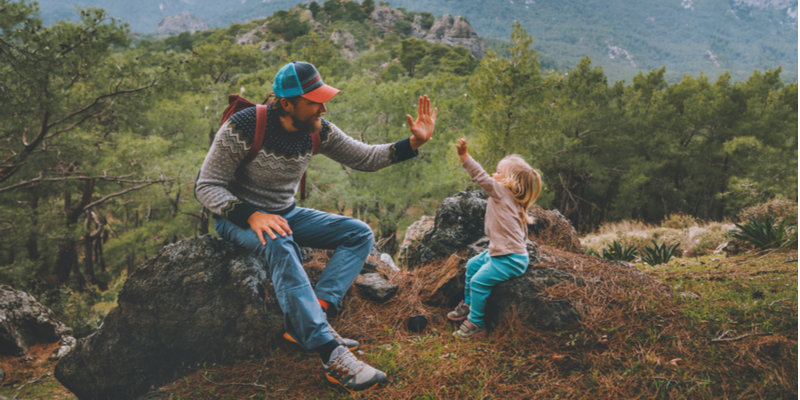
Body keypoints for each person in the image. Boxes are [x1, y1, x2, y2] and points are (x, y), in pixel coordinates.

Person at [195, 61, 437, 393]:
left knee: (359, 232)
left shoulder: (318, 129)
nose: (323, 107)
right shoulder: (245, 126)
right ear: (286, 103)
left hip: (286, 212)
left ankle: (313, 315)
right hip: (236, 219)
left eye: (323, 99)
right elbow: (206, 186)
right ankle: (331, 353)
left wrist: (413, 143)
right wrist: (252, 215)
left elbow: (365, 158)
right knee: (280, 242)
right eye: (314, 101)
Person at [447, 138, 542, 338]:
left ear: (510, 180)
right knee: (472, 265)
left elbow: (481, 177)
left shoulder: (501, 192)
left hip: (510, 259)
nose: (493, 174)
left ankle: (476, 323)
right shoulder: (513, 199)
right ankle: (469, 303)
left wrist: (465, 157)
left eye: (498, 172)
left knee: (479, 282)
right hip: (501, 253)